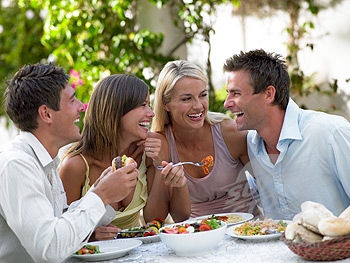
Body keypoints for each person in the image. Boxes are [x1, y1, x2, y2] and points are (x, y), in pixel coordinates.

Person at [0, 63, 141, 262]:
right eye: (72, 100)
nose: (82, 106)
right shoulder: (16, 165)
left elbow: (60, 223)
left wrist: (101, 191)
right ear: (46, 114)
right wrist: (101, 195)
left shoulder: (45, 161)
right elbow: (50, 248)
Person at [223, 49, 350, 220]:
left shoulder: (329, 133)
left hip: (337, 246)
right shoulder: (251, 144)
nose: (226, 103)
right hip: (279, 245)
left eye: (236, 93)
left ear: (268, 94)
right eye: (228, 93)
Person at [60, 74, 190, 240]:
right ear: (116, 110)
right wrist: (90, 236)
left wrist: (159, 165)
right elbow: (61, 233)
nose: (151, 113)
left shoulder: (151, 147)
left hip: (136, 252)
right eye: (143, 105)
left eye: (149, 105)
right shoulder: (75, 166)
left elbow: (154, 219)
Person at [151, 60, 260, 218]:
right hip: (197, 234)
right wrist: (159, 166)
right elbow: (170, 218)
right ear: (166, 104)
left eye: (203, 95)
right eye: (187, 99)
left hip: (246, 230)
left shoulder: (230, 133)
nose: (198, 106)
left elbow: (269, 185)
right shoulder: (161, 144)